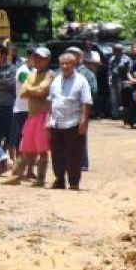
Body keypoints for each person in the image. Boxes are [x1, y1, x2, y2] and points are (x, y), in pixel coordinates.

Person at [4, 48, 53, 186]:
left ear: (47, 60)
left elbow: (42, 90)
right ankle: (16, 176)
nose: (37, 61)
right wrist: (35, 90)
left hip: (43, 115)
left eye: (41, 58)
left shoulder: (50, 75)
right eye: (35, 58)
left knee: (42, 149)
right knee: (25, 147)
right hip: (31, 115)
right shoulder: (32, 74)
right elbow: (23, 92)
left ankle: (41, 178)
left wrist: (33, 90)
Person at [47, 53, 92, 190]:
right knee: (56, 154)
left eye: (68, 64)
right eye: (62, 64)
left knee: (74, 155)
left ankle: (73, 182)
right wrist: (48, 120)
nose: (65, 66)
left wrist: (84, 121)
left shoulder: (81, 81)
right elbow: (51, 101)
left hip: (73, 123)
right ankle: (59, 180)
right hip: (56, 122)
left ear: (74, 65)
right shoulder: (55, 80)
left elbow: (86, 102)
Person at [0, 45, 16, 156]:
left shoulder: (12, 69)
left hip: (8, 106)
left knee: (9, 133)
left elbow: (11, 84)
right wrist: (1, 85)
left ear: (3, 56)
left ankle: (8, 157)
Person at [109, 43, 131, 122]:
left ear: (121, 50)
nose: (115, 51)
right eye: (114, 50)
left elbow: (129, 70)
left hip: (123, 80)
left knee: (122, 98)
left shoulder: (126, 59)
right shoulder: (112, 59)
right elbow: (110, 70)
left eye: (117, 50)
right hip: (114, 80)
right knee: (114, 98)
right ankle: (115, 114)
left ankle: (123, 115)